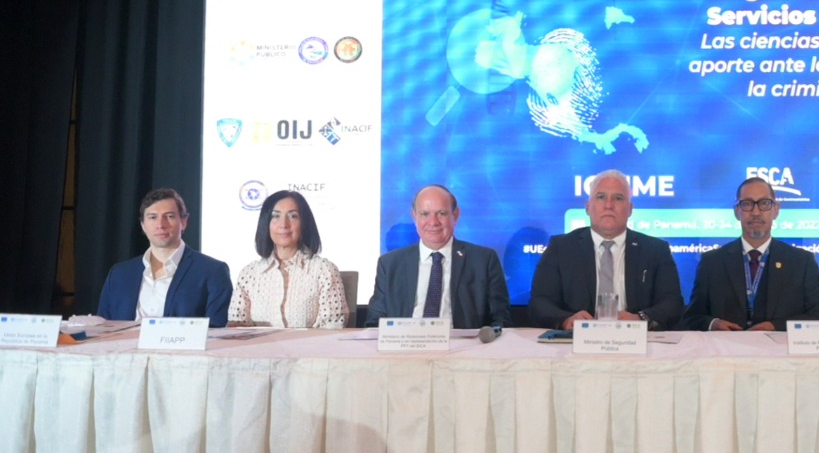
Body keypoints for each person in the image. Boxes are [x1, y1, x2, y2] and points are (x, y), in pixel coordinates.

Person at [528, 169, 683, 330]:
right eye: (601, 197)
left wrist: (640, 318)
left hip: (636, 339)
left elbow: (672, 303)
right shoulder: (560, 247)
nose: (609, 206)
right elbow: (540, 303)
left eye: (618, 198)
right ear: (588, 207)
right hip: (576, 339)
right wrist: (566, 320)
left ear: (630, 209)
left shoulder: (656, 250)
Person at [678, 177, 819, 331]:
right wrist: (713, 324)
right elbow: (692, 317)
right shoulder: (712, 262)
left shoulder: (801, 261)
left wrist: (776, 326)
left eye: (764, 203)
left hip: (780, 346)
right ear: (737, 211)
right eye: (747, 204)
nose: (756, 212)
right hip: (727, 345)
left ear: (776, 210)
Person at [364, 185, 511, 328]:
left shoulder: (483, 260)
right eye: (425, 214)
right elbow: (375, 323)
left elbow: (501, 321)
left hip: (462, 343)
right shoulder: (389, 264)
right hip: (405, 342)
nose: (433, 222)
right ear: (414, 216)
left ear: (455, 215)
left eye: (442, 213)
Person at [97, 188, 233, 326]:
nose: (160, 225)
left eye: (169, 216)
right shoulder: (119, 274)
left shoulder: (213, 271)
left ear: (184, 222)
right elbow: (102, 328)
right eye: (152, 217)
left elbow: (217, 329)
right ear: (143, 225)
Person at [227, 190, 347, 328]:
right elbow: (236, 328)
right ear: (266, 223)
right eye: (275, 216)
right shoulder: (249, 274)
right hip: (259, 343)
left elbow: (333, 328)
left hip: (310, 343)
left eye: (293, 216)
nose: (284, 224)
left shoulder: (324, 270)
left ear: (304, 223)